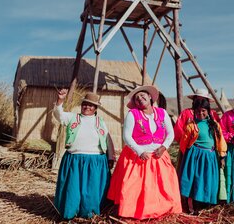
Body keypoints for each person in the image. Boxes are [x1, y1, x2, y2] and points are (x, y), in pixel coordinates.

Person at [107, 85, 182, 220]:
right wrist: (140, 151)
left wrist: (164, 147)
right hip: (139, 156)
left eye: (142, 96)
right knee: (138, 186)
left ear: (149, 97)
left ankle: (161, 209)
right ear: (135, 103)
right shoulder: (133, 114)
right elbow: (127, 136)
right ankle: (137, 210)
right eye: (137, 99)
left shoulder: (162, 113)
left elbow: (170, 133)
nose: (140, 99)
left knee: (162, 184)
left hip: (159, 155)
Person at [53, 89, 115, 220]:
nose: (87, 107)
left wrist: (111, 156)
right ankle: (71, 212)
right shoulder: (72, 117)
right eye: (85, 104)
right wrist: (60, 100)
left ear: (95, 108)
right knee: (73, 188)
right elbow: (58, 115)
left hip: (96, 160)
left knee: (92, 189)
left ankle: (89, 214)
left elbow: (108, 139)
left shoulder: (100, 122)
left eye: (91, 105)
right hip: (75, 159)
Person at [178, 98, 227, 213]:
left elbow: (220, 141)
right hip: (195, 157)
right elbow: (183, 143)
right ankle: (193, 206)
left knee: (208, 180)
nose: (201, 113)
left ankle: (206, 205)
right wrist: (188, 157)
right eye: (198, 111)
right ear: (194, 111)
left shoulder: (214, 125)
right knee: (196, 180)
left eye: (203, 110)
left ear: (208, 111)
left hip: (210, 157)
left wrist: (222, 156)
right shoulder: (191, 125)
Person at [220, 108, 234, 203]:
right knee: (230, 172)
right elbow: (221, 131)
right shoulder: (227, 115)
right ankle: (230, 200)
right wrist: (231, 136)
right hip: (230, 149)